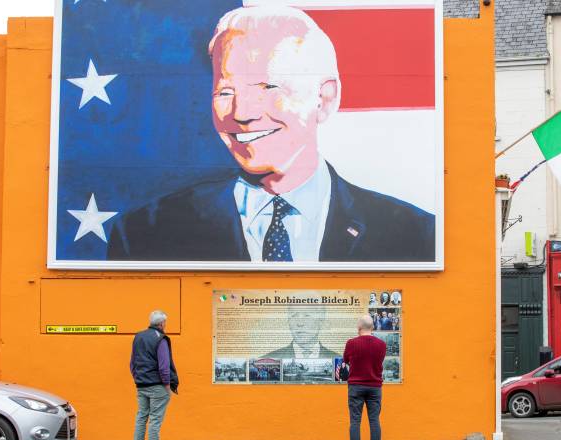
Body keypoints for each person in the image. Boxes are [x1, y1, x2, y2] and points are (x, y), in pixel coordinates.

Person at [107, 5, 435, 263]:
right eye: (225, 92)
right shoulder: (145, 232)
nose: (242, 112)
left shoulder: (415, 233)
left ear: (324, 99)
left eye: (268, 87)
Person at [130, 310, 179, 440]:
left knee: (141, 418)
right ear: (162, 323)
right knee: (155, 421)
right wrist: (168, 386)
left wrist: (138, 378)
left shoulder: (138, 337)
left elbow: (132, 363)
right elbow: (164, 366)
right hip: (158, 386)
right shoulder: (160, 338)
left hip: (141, 385)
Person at [343, 315, 386, 440]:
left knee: (355, 421)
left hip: (356, 386)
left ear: (359, 328)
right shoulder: (381, 345)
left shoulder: (351, 343)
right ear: (372, 327)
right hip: (375, 387)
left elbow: (346, 360)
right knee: (374, 421)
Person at [263, 305, 341, 359]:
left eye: (307, 315)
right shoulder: (267, 360)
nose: (300, 323)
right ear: (288, 321)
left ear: (321, 320)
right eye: (294, 315)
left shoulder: (341, 361)